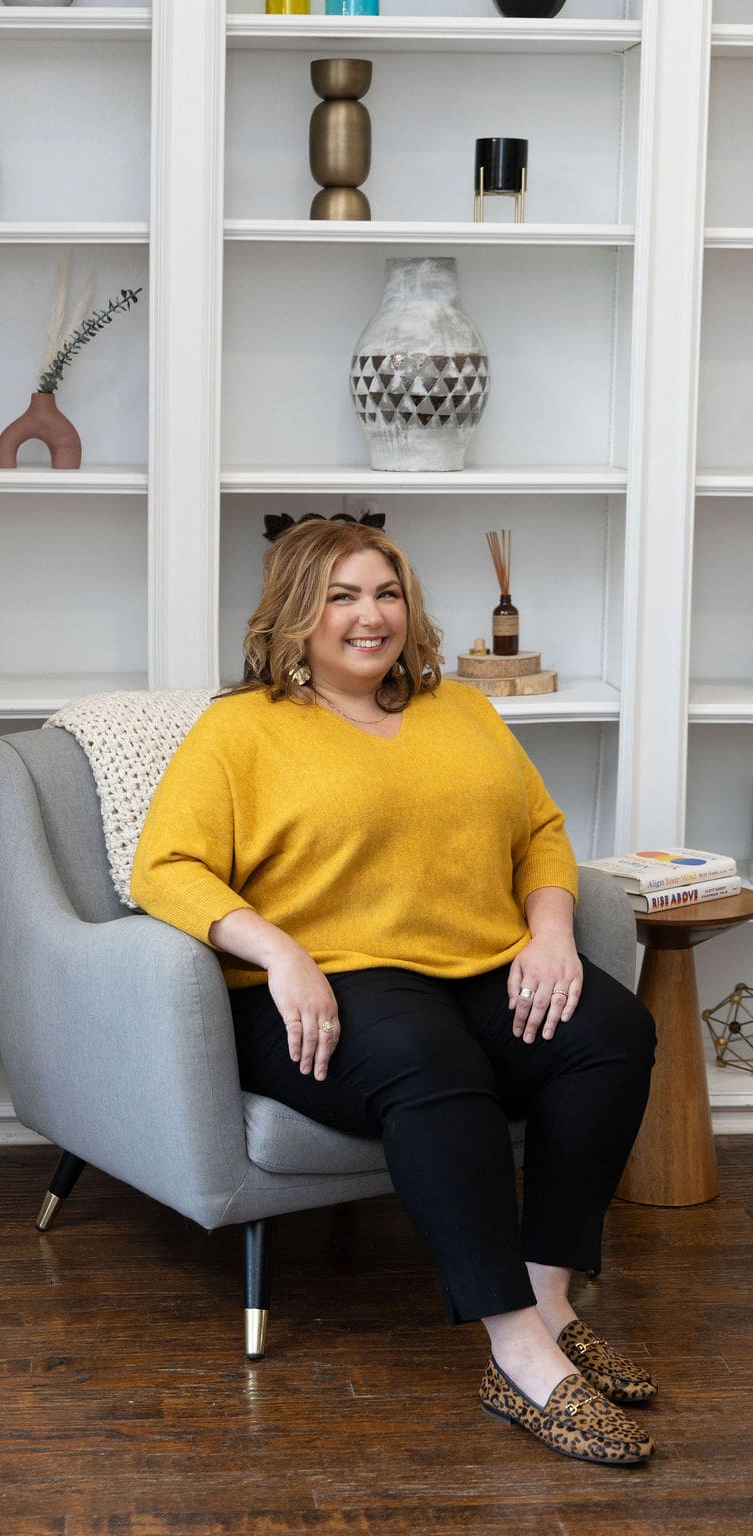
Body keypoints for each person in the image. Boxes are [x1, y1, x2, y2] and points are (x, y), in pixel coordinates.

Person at [131, 518, 657, 1466]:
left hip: (477, 966)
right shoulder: (240, 729)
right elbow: (164, 868)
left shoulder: (463, 710)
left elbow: (540, 831)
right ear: (295, 616)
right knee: (429, 1061)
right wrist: (279, 952)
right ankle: (518, 1354)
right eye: (341, 597)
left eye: (385, 594)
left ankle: (548, 1301)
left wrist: (550, 934)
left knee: (610, 1030)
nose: (369, 616)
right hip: (324, 986)